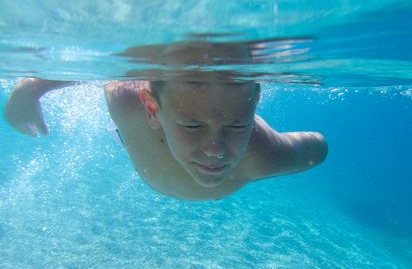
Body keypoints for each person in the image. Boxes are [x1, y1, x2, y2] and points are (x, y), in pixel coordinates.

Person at [3, 77, 327, 201]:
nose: (215, 151)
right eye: (193, 126)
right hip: (137, 135)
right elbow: (99, 64)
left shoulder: (265, 154)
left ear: (255, 104)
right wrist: (32, 87)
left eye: (237, 126)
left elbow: (317, 146)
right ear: (152, 108)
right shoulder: (126, 100)